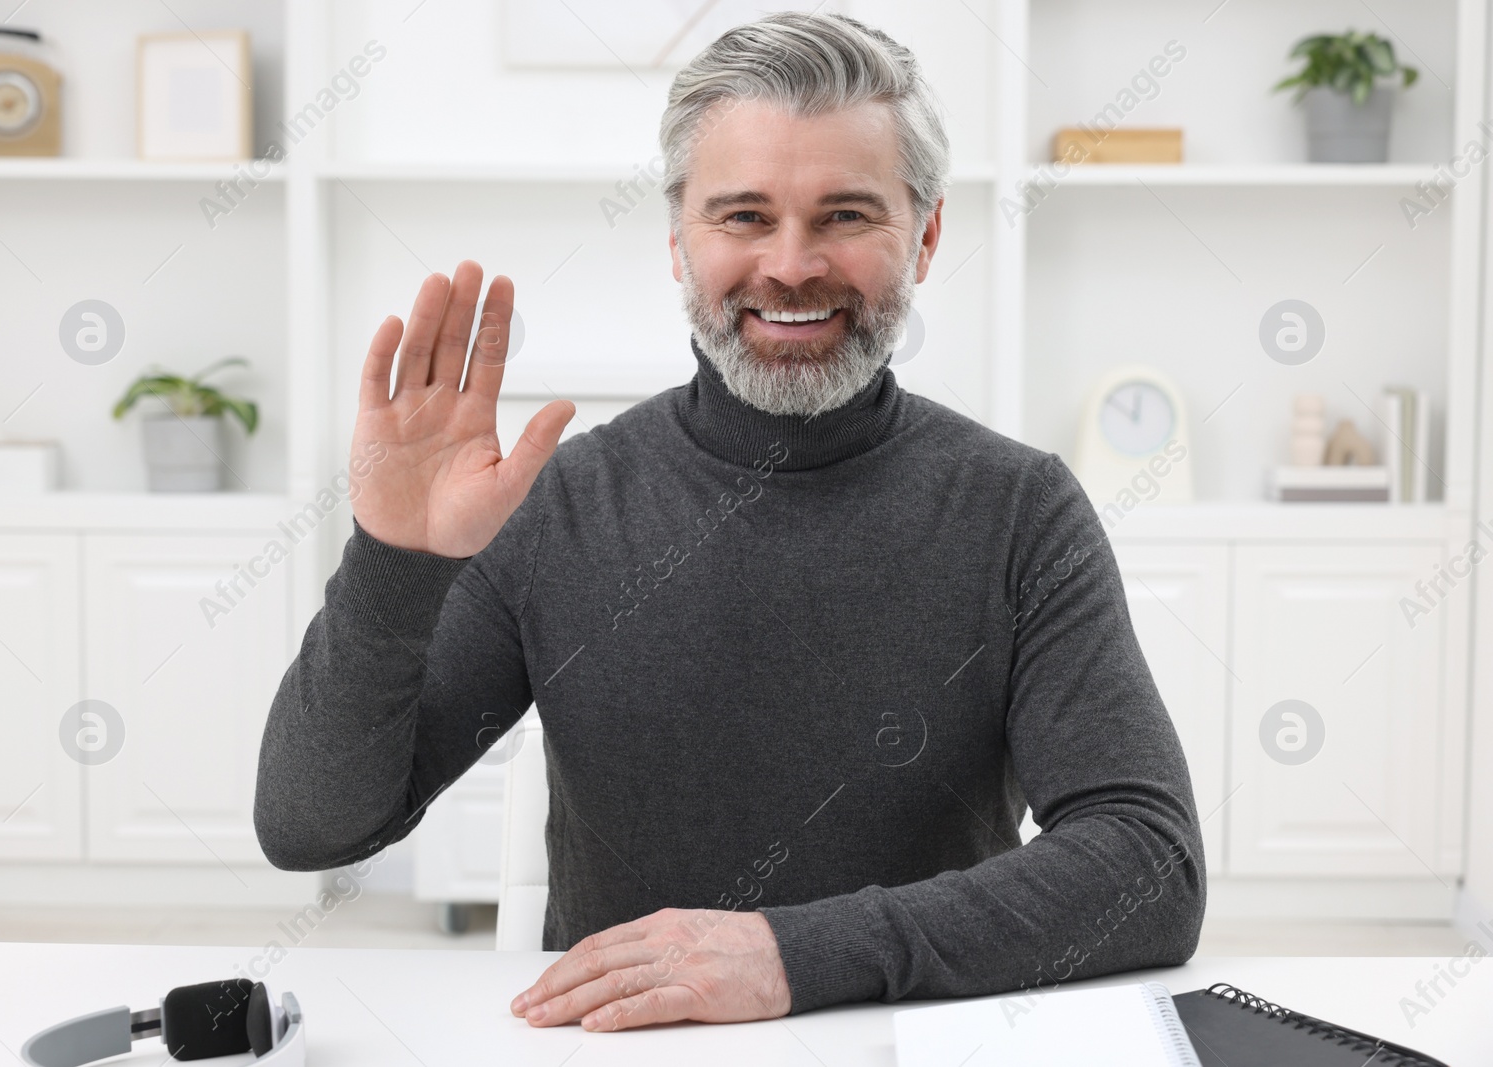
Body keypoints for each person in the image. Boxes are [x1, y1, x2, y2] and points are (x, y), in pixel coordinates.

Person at [254, 10, 1204, 1034]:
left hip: (915, 1042)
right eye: (743, 216)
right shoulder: (557, 507)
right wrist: (395, 560)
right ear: (678, 241)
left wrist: (794, 952)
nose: (790, 266)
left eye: (844, 215)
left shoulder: (1018, 510)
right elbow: (312, 826)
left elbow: (1146, 859)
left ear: (925, 235)